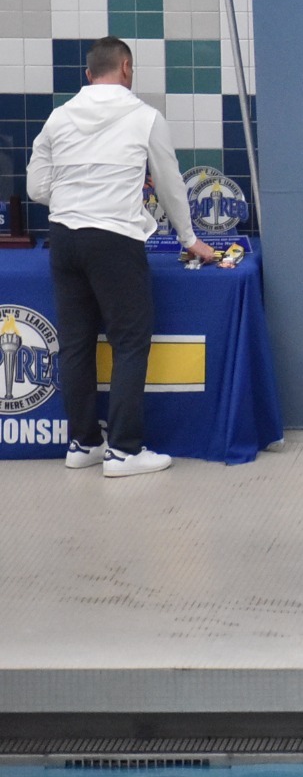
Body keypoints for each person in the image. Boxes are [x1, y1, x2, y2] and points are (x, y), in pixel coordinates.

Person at [27, 37, 217, 477]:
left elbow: (37, 188)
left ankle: (83, 443)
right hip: (113, 239)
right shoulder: (143, 117)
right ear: (127, 68)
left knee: (75, 345)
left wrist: (76, 193)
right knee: (130, 341)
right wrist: (190, 239)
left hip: (64, 238)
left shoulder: (58, 117)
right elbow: (169, 185)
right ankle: (125, 450)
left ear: (89, 75)